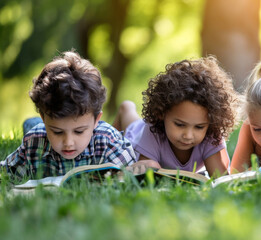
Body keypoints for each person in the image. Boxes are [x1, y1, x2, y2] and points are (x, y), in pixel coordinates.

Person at [1, 51, 136, 179]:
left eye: (79, 131)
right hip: (39, 128)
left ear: (96, 120)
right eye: (58, 132)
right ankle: (33, 123)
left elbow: (133, 177)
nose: (68, 143)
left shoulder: (109, 143)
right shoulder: (34, 142)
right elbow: (5, 173)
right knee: (31, 126)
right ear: (44, 118)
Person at [113, 56, 240, 178]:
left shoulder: (211, 134)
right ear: (161, 112)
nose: (188, 135)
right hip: (137, 134)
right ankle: (126, 108)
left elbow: (220, 178)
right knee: (131, 121)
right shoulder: (153, 129)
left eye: (199, 127)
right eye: (180, 124)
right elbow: (145, 171)